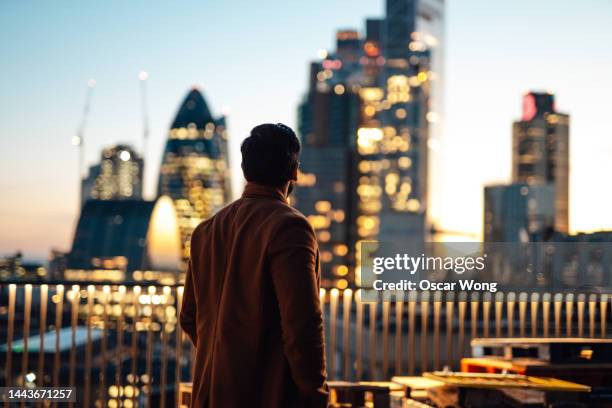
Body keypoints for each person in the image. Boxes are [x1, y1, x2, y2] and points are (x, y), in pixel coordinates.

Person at [180, 123, 328, 408]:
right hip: (265, 396)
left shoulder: (205, 231)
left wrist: (226, 356)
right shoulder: (290, 226)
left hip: (209, 393)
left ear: (245, 169)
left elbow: (189, 315)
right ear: (294, 170)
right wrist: (315, 394)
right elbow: (302, 323)